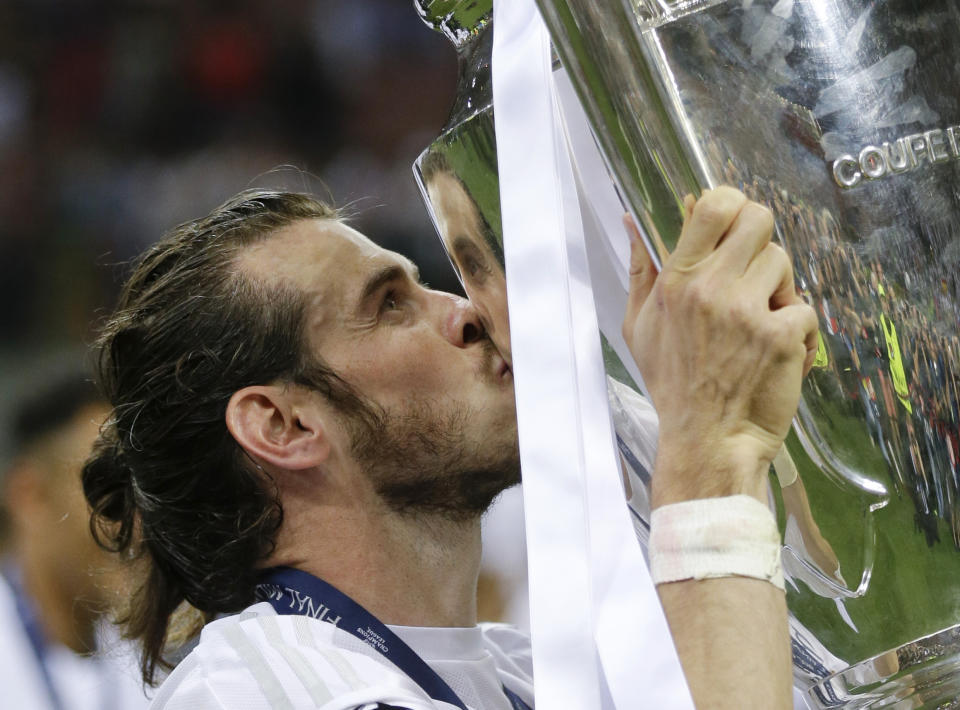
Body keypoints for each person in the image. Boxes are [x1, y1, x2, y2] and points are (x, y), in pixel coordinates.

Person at [83, 185, 817, 709]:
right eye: (389, 306)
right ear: (284, 427)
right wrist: (712, 453)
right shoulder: (259, 692)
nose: (465, 313)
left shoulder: (520, 676)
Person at [1, 366, 151, 710]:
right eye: (109, 486)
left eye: (145, 489)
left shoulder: (163, 655)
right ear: (31, 495)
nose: (136, 520)